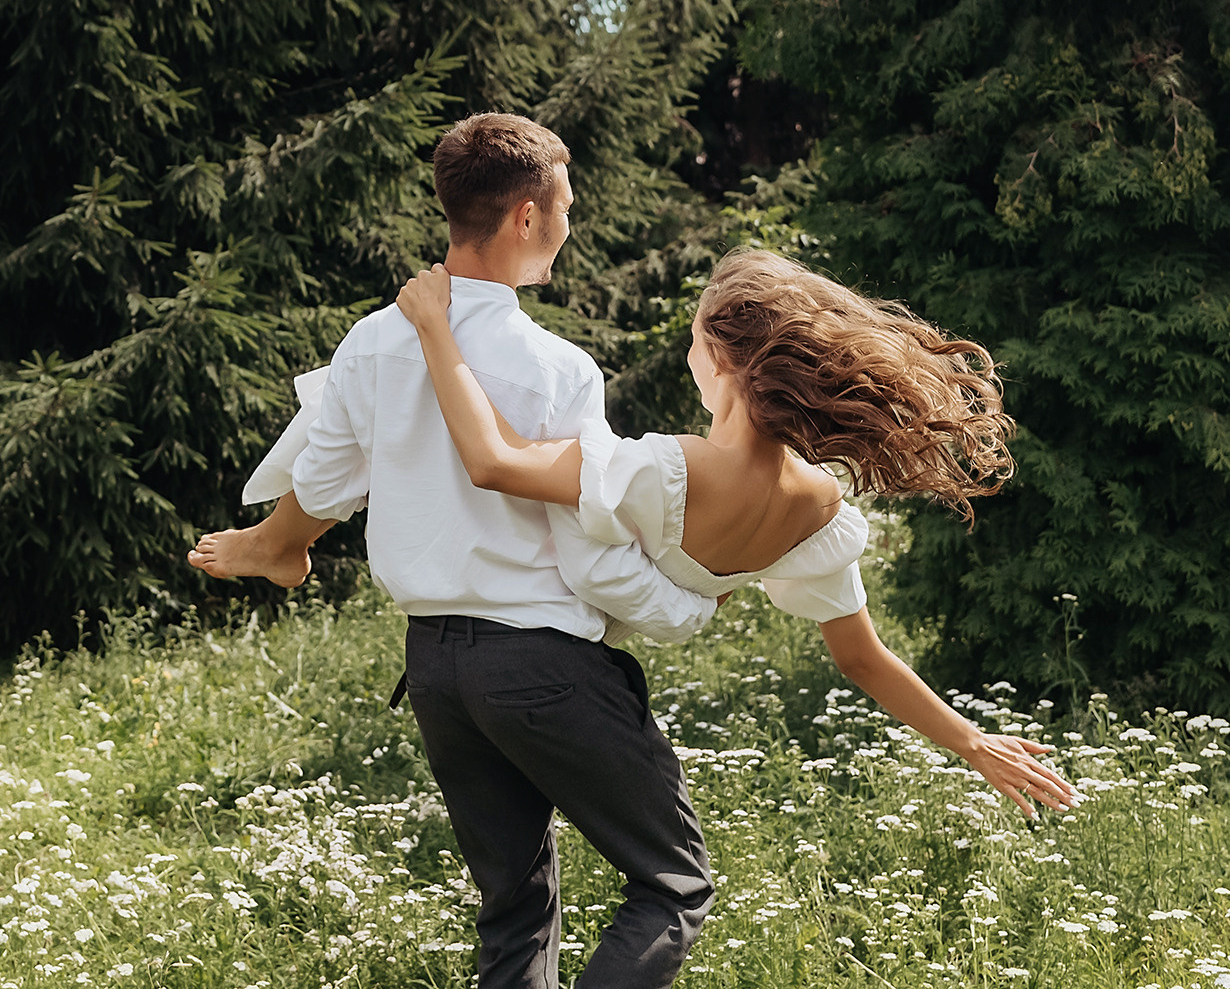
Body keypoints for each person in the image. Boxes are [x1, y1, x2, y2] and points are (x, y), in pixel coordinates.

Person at [190, 113, 718, 989]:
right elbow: (587, 539)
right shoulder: (559, 369)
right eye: (566, 208)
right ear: (525, 216)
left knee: (514, 911)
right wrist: (687, 598)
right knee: (674, 882)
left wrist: (277, 543)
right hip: (540, 662)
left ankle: (267, 550)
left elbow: (324, 479)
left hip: (435, 667)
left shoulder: (372, 340)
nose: (569, 227)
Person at [392, 248, 1075, 824]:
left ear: (719, 357)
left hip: (523, 661)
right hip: (573, 680)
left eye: (693, 341)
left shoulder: (666, 467)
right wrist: (972, 743)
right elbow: (862, 659)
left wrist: (434, 329)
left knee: (649, 892)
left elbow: (495, 461)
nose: (691, 356)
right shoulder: (821, 509)